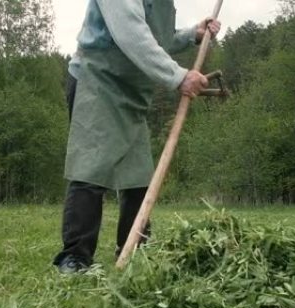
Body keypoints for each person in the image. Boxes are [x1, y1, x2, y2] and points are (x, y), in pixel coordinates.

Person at [54, 0, 222, 274]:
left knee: (138, 175)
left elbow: (157, 39)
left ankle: (134, 251)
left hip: (131, 93)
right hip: (98, 81)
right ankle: (75, 258)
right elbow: (131, 33)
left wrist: (192, 34)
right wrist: (178, 77)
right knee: (91, 168)